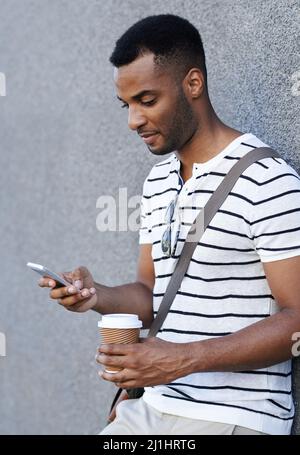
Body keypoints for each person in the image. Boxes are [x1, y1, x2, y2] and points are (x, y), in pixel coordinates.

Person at [38, 14, 300, 435]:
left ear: (192, 84)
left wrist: (182, 359)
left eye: (147, 100)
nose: (133, 121)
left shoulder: (267, 180)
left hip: (234, 416)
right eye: (127, 105)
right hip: (153, 407)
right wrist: (95, 295)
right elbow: (149, 294)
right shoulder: (160, 180)